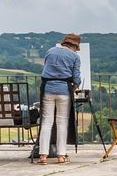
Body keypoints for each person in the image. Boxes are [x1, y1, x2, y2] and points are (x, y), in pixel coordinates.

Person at [35, 33, 82, 164]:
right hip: (64, 91)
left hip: (48, 89)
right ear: (74, 46)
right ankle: (61, 156)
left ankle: (43, 156)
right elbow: (76, 77)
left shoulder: (50, 51)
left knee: (46, 122)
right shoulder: (74, 57)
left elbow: (45, 69)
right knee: (62, 123)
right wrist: (74, 87)